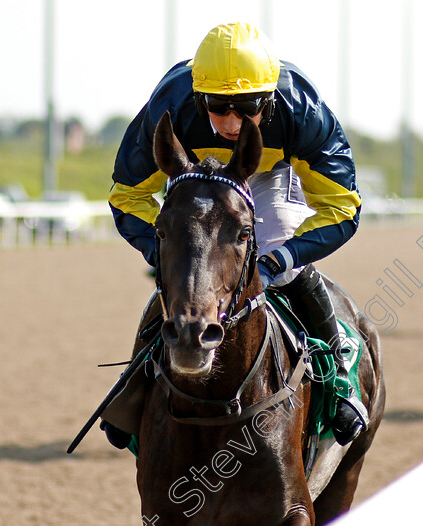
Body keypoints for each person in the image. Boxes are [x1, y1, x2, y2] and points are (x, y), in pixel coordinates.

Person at [106, 22, 367, 447]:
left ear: (270, 99)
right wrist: (167, 254)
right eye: (216, 106)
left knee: (279, 258)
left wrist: (283, 257)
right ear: (196, 97)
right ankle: (135, 377)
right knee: (187, 275)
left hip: (267, 174)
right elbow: (126, 196)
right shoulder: (169, 104)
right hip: (195, 177)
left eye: (246, 107)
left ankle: (339, 376)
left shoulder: (303, 113)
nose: (230, 122)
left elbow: (343, 207)